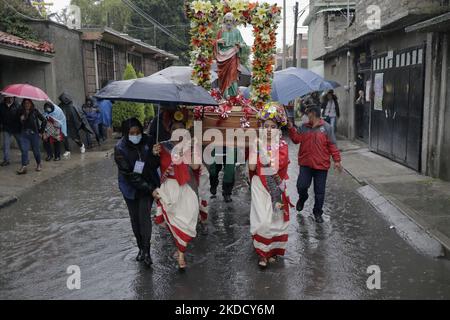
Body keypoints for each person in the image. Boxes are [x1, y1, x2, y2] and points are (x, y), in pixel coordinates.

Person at [152, 119, 200, 270]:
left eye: (181, 129)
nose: (178, 132)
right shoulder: (162, 147)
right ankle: (180, 251)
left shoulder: (190, 147)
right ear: (170, 131)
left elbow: (196, 166)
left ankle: (180, 251)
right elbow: (152, 166)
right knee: (172, 222)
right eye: (175, 129)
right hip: (168, 188)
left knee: (186, 220)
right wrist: (154, 153)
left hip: (185, 187)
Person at [249, 103, 292, 268]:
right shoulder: (257, 144)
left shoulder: (283, 146)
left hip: (275, 186)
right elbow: (252, 168)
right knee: (262, 222)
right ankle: (262, 253)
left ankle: (271, 251)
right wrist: (254, 150)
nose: (268, 129)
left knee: (275, 221)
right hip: (259, 186)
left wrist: (264, 154)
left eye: (272, 127)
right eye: (265, 126)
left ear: (278, 129)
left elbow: (277, 167)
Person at [114, 117, 160, 268]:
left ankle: (147, 251)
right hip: (130, 187)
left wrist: (154, 154)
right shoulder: (120, 148)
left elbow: (153, 165)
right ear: (126, 134)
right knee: (135, 219)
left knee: (144, 217)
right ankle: (140, 247)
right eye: (132, 133)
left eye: (138, 132)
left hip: (147, 184)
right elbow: (129, 175)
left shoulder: (149, 140)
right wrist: (150, 189)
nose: (136, 135)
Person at [288, 106, 342, 224]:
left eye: (307, 114)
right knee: (301, 186)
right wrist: (291, 129)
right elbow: (296, 140)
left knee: (319, 192)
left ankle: (317, 212)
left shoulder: (327, 128)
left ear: (312, 114)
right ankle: (303, 198)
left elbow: (332, 144)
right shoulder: (303, 127)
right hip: (306, 163)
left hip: (321, 165)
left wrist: (337, 160)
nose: (305, 116)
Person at [215, 12, 247, 99]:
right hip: (222, 57)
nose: (228, 22)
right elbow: (213, 43)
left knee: (232, 75)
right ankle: (224, 96)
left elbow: (243, 43)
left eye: (230, 20)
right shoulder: (220, 31)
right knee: (223, 76)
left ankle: (233, 97)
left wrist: (240, 45)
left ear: (233, 21)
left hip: (233, 56)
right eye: (227, 20)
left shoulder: (237, 31)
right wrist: (217, 42)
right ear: (224, 21)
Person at [17, 99, 47, 175]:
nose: (27, 105)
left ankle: (39, 163)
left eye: (28, 103)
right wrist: (20, 119)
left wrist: (41, 131)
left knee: (36, 150)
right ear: (23, 104)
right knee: (24, 150)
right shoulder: (20, 112)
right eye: (25, 103)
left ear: (31, 104)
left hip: (34, 134)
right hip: (24, 134)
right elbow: (17, 122)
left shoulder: (35, 111)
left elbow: (44, 120)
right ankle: (24, 167)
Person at [0, 95, 22, 166]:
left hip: (16, 128)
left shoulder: (17, 105)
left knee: (21, 144)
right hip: (6, 128)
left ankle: (25, 158)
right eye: (8, 97)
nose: (10, 99)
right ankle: (6, 160)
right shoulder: (1, 106)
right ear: (5, 98)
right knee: (6, 144)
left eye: (11, 97)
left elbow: (21, 115)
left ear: (13, 98)